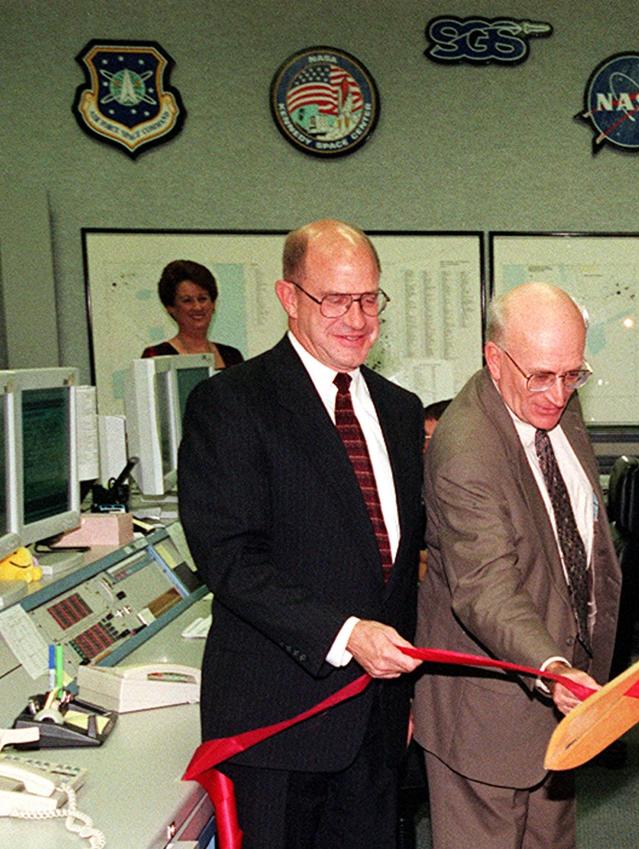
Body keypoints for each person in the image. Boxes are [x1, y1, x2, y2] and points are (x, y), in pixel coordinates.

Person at [179, 220, 424, 849]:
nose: (358, 318)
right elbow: (228, 558)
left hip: (376, 720)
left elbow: (397, 567)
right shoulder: (231, 403)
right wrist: (344, 635)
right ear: (290, 298)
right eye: (335, 299)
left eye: (369, 298)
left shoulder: (400, 409)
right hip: (279, 720)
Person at [414, 282, 622, 849]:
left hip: (560, 697)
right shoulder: (465, 451)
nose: (558, 395)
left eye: (573, 374)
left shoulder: (551, 396)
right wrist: (552, 666)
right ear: (494, 358)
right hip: (488, 713)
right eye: (542, 376)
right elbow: (486, 589)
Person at [142, 259, 245, 367]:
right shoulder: (155, 356)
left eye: (202, 299)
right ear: (170, 307)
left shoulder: (233, 356)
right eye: (187, 300)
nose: (197, 307)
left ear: (213, 303)